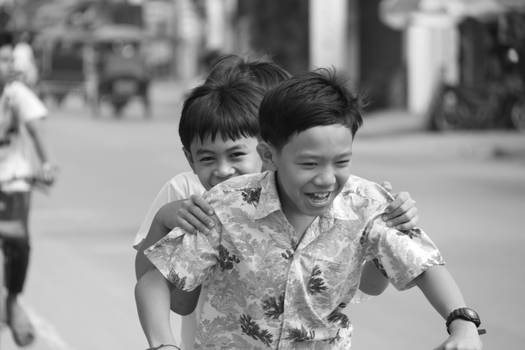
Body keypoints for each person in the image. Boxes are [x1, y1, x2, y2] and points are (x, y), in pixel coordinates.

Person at [139, 69, 484, 350]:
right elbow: (154, 281)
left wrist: (463, 324)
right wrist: (163, 344)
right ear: (269, 155)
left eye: (341, 162)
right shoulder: (226, 206)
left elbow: (423, 265)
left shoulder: (366, 203)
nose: (326, 179)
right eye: (309, 164)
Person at [0, 31, 57, 347]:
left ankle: (13, 299)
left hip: (13, 184)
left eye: (11, 59)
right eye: (4, 59)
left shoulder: (16, 93)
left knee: (18, 242)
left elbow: (35, 131)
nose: (11, 66)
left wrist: (46, 164)